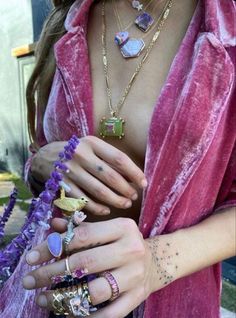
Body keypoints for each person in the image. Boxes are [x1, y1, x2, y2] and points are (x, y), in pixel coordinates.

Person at [2, 0, 236, 317]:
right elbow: (39, 151)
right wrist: (43, 161)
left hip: (173, 302)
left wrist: (156, 262)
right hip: (48, 295)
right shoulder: (68, 19)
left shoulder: (227, 26)